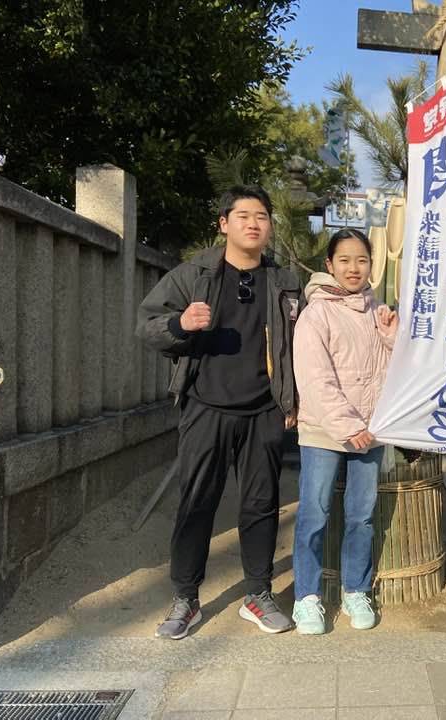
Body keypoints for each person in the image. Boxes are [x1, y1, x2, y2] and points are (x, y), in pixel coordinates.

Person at [137, 185, 302, 639]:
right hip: (205, 406)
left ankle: (258, 593)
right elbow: (147, 326)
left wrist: (294, 401)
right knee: (197, 503)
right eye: (243, 215)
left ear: (270, 226)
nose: (254, 223)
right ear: (224, 223)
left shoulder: (285, 282)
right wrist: (179, 324)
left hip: (265, 409)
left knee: (261, 504)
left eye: (262, 216)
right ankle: (186, 598)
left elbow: (307, 343)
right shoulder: (195, 274)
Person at [290, 228, 397, 635]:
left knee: (361, 517)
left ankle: (355, 589)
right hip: (324, 431)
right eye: (345, 260)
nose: (354, 268)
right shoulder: (316, 313)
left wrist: (390, 336)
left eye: (362, 260)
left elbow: (392, 371)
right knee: (314, 515)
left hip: (368, 431)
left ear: (373, 265)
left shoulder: (378, 311)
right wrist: (348, 426)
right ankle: (308, 597)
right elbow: (315, 379)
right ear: (329, 266)